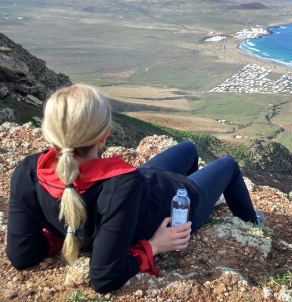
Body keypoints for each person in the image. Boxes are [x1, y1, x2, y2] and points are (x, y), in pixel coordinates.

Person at [6, 84, 265, 293]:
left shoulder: (29, 171)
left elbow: (22, 254)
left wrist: (63, 233)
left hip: (148, 182)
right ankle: (252, 222)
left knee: (189, 148)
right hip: (174, 202)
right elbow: (104, 278)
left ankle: (209, 199)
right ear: (103, 137)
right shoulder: (119, 187)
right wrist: (154, 246)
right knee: (229, 165)